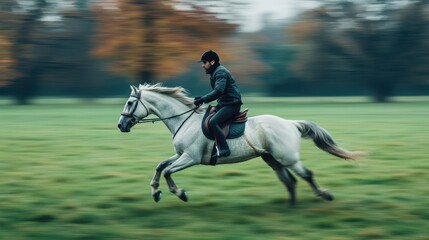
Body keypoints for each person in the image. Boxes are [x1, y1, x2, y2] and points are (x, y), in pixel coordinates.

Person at [194, 50, 242, 157]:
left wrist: (202, 99)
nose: (203, 65)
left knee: (213, 122)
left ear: (212, 62)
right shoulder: (216, 72)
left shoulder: (220, 72)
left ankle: (225, 149)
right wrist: (202, 99)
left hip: (231, 105)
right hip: (225, 104)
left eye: (204, 62)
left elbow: (218, 91)